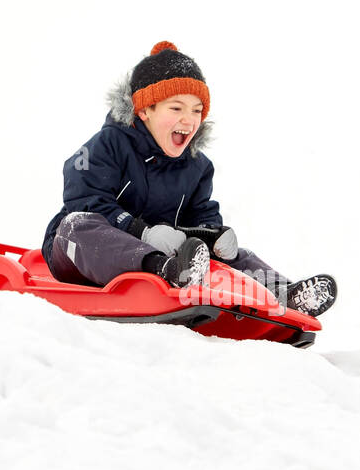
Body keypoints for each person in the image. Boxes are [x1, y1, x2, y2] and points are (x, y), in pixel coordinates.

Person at [40, 41, 337, 317]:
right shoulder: (108, 145)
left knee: (237, 256)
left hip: (175, 255)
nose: (189, 119)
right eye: (176, 108)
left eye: (197, 111)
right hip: (81, 255)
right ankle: (167, 270)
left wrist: (214, 236)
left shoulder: (197, 167)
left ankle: (283, 293)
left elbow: (200, 219)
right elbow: (85, 199)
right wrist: (140, 231)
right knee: (78, 226)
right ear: (144, 109)